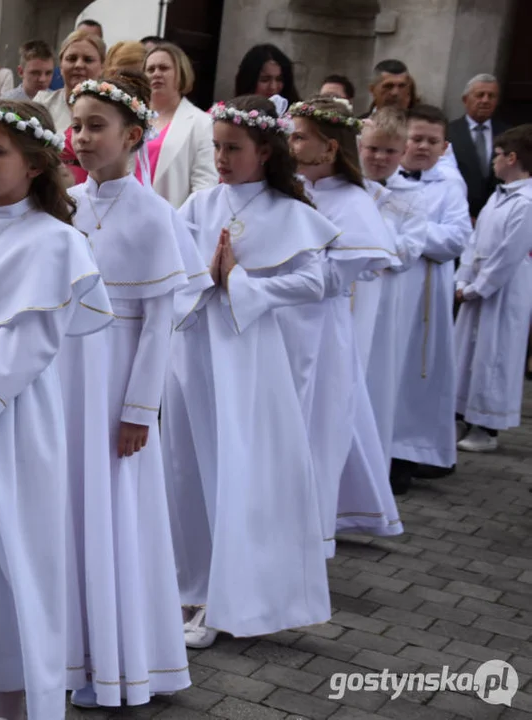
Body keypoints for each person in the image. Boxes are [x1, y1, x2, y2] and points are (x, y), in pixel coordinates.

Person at [0, 99, 112, 720]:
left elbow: (30, 344)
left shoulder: (57, 242)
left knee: (11, 560)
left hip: (6, 421)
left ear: (36, 164)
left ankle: (15, 703)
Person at [162, 95, 332, 649]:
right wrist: (203, 278)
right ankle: (188, 584)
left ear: (265, 150)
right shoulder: (198, 205)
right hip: (193, 352)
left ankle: (224, 597)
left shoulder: (291, 213)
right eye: (216, 147)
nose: (221, 158)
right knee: (185, 467)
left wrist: (240, 282)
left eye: (232, 148)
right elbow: (175, 272)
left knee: (233, 469)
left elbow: (314, 283)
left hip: (247, 356)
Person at [62, 72, 192, 709]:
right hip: (67, 380)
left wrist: (139, 408)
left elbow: (162, 317)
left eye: (96, 126)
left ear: (132, 136)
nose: (81, 137)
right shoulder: (67, 203)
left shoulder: (152, 215)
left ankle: (117, 660)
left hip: (115, 384)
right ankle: (69, 647)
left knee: (114, 516)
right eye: (76, 124)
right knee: (71, 511)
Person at [284, 97, 401, 550]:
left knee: (315, 423)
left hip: (318, 328)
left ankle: (306, 533)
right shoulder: (288, 188)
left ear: (330, 148)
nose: (290, 144)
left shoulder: (353, 202)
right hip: (278, 323)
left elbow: (335, 276)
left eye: (299, 137)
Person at [387, 104, 473, 492]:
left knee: (414, 375)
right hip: (387, 290)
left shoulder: (449, 185)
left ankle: (405, 454)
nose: (422, 146)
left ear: (444, 147)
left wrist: (410, 235)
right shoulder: (385, 178)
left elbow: (456, 238)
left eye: (431, 141)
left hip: (423, 296)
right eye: (416, 138)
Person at [355, 107, 428, 484]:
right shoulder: (347, 187)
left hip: (384, 307)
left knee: (374, 387)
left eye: (389, 152)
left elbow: (407, 252)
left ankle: (368, 476)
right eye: (372, 149)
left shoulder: (412, 198)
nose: (379, 158)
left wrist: (370, 240)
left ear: (402, 154)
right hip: (345, 302)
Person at [454, 125, 532, 451]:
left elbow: (508, 255)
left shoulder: (526, 202)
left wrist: (477, 288)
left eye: (497, 156)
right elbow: (474, 242)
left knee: (495, 354)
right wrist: (463, 278)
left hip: (503, 291)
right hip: (476, 285)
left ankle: (486, 427)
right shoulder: (497, 197)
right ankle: (463, 415)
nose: (493, 163)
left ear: (512, 158)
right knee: (468, 352)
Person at [144, 41, 218, 207]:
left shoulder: (201, 122)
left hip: (173, 221)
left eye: (163, 68)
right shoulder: (132, 118)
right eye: (150, 69)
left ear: (181, 73)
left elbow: (204, 184)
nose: (156, 73)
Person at [448, 74, 509, 220]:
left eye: (491, 96)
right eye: (480, 95)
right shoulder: (448, 132)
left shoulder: (508, 134)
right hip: (458, 215)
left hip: (497, 216)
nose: (485, 100)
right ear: (465, 99)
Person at [34, 29, 105, 132]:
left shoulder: (111, 110)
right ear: (61, 65)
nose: (79, 65)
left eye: (88, 59)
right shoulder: (43, 104)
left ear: (102, 67)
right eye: (72, 59)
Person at [233, 44, 300, 103]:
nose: (273, 87)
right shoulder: (232, 114)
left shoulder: (297, 115)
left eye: (279, 79)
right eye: (265, 80)